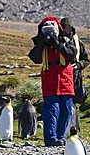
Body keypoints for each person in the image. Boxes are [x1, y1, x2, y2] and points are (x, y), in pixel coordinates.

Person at [28, 16, 77, 146]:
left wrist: (58, 44)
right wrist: (42, 43)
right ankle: (51, 138)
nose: (50, 33)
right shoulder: (42, 46)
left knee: (66, 110)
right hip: (50, 82)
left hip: (65, 81)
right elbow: (34, 57)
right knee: (52, 109)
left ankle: (60, 137)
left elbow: (72, 55)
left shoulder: (66, 41)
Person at [61, 17, 90, 134]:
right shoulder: (58, 40)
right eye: (64, 29)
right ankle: (64, 129)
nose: (66, 31)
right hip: (62, 75)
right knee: (64, 102)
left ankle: (74, 128)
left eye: (68, 28)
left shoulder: (77, 42)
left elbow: (86, 59)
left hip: (75, 76)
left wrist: (78, 65)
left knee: (74, 103)